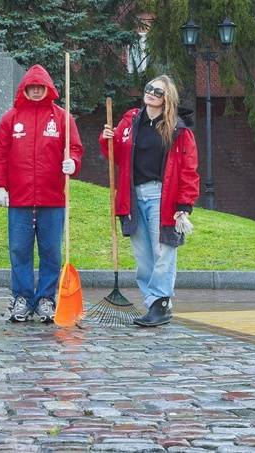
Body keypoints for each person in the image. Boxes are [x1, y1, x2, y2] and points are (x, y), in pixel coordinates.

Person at [100, 74, 199, 327]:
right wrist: (107, 139)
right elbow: (116, 157)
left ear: (167, 99)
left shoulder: (178, 129)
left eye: (158, 91)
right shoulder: (131, 121)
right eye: (149, 88)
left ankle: (161, 303)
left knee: (163, 251)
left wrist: (184, 205)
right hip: (134, 195)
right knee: (143, 255)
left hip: (162, 196)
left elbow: (189, 168)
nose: (151, 94)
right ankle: (152, 302)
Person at [0, 64, 83, 323]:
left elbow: (74, 148)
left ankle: (46, 298)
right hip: (19, 197)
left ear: (48, 88)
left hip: (52, 197)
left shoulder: (63, 118)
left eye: (40, 87)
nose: (36, 91)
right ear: (25, 88)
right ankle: (22, 297)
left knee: (51, 250)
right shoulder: (11, 118)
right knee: (19, 249)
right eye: (32, 87)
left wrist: (72, 162)